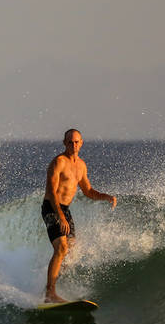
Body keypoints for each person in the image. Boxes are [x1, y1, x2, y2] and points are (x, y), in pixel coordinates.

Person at [42, 128, 117, 302]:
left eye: (77, 142)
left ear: (81, 143)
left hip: (65, 209)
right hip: (52, 208)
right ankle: (49, 293)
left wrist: (106, 197)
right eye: (70, 142)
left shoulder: (81, 165)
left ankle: (52, 285)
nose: (74, 145)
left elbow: (88, 191)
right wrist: (60, 216)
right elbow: (52, 192)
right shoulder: (58, 162)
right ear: (64, 143)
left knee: (71, 251)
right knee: (61, 248)